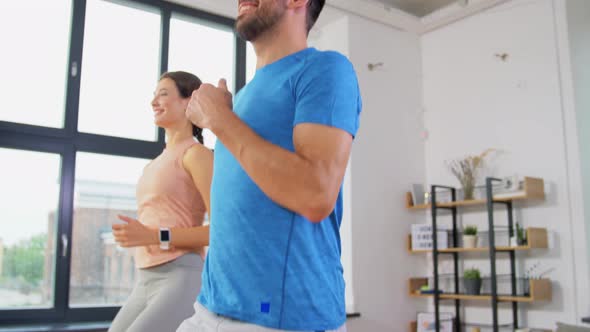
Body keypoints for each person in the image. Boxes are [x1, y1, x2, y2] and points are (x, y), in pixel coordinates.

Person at [178, 0, 362, 331]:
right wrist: (224, 118)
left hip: (283, 319)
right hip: (210, 307)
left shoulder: (326, 69)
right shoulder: (244, 98)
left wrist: (219, 119)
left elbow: (315, 193)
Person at [108, 71, 212, 332]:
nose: (153, 101)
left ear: (189, 102)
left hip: (181, 275)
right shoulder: (154, 165)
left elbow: (220, 231)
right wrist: (137, 236)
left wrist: (152, 236)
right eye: (153, 96)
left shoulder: (196, 155)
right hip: (145, 278)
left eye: (163, 94)